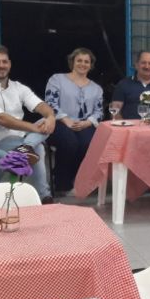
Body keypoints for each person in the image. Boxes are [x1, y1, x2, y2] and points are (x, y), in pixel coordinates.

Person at [0, 45, 55, 202]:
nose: (1, 65)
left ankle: (26, 147)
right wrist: (34, 128)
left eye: (4, 61)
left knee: (44, 122)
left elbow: (40, 105)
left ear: (10, 63)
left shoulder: (19, 87)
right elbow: (1, 119)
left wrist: (51, 116)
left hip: (22, 137)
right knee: (38, 147)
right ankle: (44, 196)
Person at [44, 48, 103, 194]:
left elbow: (99, 111)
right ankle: (62, 184)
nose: (82, 64)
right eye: (79, 61)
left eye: (86, 62)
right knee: (70, 143)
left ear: (91, 65)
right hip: (60, 122)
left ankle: (79, 181)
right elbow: (50, 103)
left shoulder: (96, 88)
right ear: (72, 62)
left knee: (88, 144)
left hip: (85, 123)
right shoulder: (57, 79)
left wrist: (88, 122)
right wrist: (66, 119)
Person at [111, 51, 150, 120]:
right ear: (136, 65)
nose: (147, 66)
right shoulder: (123, 85)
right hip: (131, 129)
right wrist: (122, 129)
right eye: (143, 63)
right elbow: (115, 112)